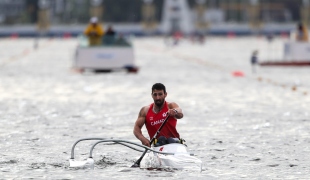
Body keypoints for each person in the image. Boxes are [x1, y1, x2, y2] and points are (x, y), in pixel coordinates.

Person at [133, 83, 184, 147]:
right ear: (152, 95)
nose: (157, 98)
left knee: (170, 140)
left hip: (174, 142)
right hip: (157, 144)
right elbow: (136, 128)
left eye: (160, 94)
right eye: (155, 95)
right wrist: (143, 139)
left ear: (165, 94)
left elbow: (180, 113)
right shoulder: (145, 111)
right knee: (161, 139)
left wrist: (175, 111)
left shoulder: (170, 106)